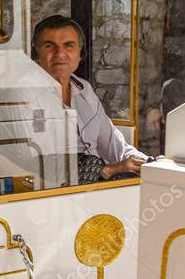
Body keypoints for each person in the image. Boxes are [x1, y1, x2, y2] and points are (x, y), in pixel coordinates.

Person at [32, 14, 147, 180]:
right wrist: (109, 170)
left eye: (68, 45)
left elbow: (114, 145)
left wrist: (148, 163)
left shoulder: (84, 89)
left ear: (81, 54)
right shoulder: (26, 95)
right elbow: (39, 166)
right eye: (50, 46)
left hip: (96, 192)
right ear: (36, 54)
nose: (60, 53)